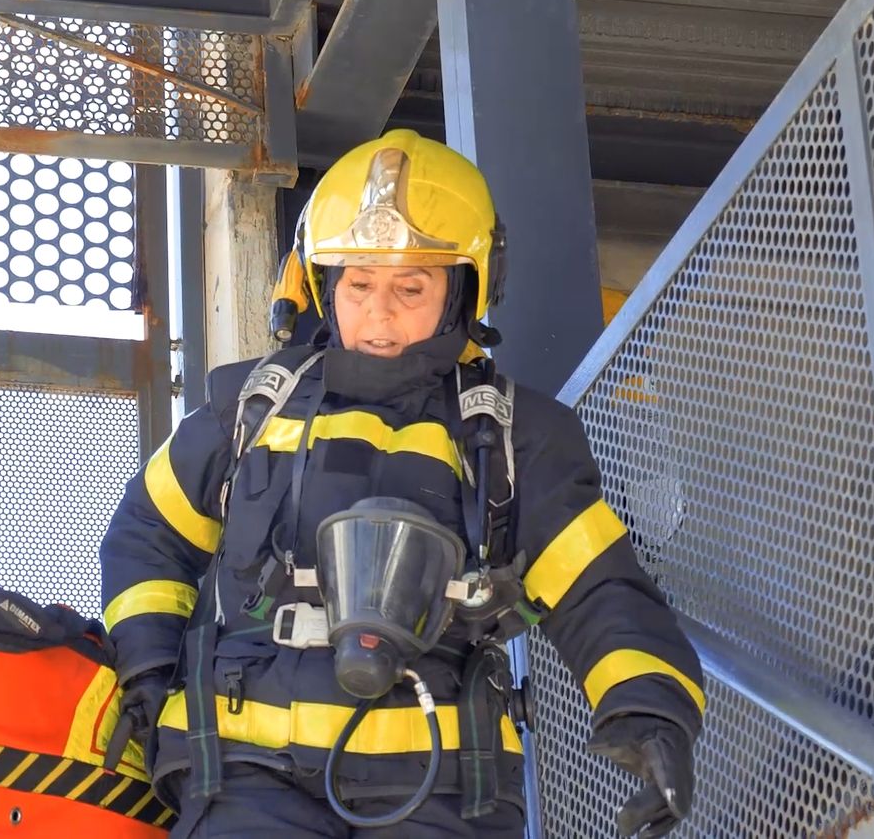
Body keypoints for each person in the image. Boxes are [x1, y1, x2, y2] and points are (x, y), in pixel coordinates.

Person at [99, 130, 704, 838]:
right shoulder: (250, 411)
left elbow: (597, 589)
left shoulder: (513, 438)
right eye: (358, 284)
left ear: (464, 292)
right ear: (324, 285)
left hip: (445, 791)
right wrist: (145, 664)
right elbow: (149, 533)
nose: (378, 315)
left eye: (410, 288)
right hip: (243, 776)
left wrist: (652, 714)